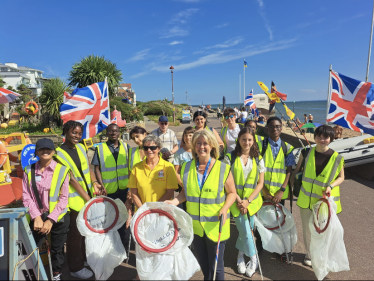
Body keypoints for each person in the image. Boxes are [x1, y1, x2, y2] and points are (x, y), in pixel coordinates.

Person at [166, 129, 236, 280]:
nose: (202, 147)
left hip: (216, 226)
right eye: (198, 143)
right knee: (204, 264)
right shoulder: (186, 168)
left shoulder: (223, 168)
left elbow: (232, 193)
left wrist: (225, 208)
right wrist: (174, 201)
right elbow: (185, 193)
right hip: (196, 227)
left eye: (205, 143)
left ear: (212, 146)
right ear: (193, 146)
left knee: (216, 267)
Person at [54, 121, 103, 279]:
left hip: (86, 197)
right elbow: (72, 179)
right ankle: (75, 267)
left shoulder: (81, 147)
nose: (76, 136)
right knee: (74, 235)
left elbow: (88, 167)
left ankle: (83, 260)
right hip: (73, 202)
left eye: (79, 133)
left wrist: (95, 183)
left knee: (84, 232)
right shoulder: (58, 153)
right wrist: (88, 198)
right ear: (65, 132)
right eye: (73, 132)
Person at [291, 125, 344, 267]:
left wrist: (330, 186)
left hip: (323, 201)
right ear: (314, 137)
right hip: (305, 200)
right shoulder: (306, 152)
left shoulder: (337, 158)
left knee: (322, 230)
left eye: (326, 137)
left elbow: (341, 177)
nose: (322, 139)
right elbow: (297, 171)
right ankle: (309, 254)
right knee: (307, 230)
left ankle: (321, 254)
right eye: (319, 136)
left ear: (331, 139)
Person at [23, 138, 70, 281]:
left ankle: (56, 274)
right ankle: (32, 274)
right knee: (32, 248)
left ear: (53, 151)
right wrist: (36, 216)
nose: (45, 151)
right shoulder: (28, 170)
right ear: (36, 152)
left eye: (48, 149)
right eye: (41, 149)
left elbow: (64, 198)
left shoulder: (62, 170)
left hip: (58, 216)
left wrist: (50, 220)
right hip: (37, 216)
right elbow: (26, 196)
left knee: (57, 250)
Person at [223, 128, 265, 277]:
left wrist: (248, 201)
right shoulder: (230, 157)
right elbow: (227, 181)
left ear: (253, 141)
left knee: (245, 231)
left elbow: (260, 184)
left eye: (249, 140)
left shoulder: (258, 158)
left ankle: (240, 257)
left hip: (252, 202)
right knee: (247, 232)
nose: (246, 142)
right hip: (236, 201)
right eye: (243, 139)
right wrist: (240, 201)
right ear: (238, 140)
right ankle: (254, 260)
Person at [258, 116, 295, 260]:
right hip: (262, 192)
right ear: (267, 129)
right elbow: (255, 170)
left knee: (279, 222)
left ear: (282, 128)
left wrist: (282, 190)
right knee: (261, 221)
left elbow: (289, 170)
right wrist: (264, 191)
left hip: (280, 193)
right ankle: (261, 246)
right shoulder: (260, 145)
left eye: (278, 126)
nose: (275, 129)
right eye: (272, 127)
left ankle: (280, 250)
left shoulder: (287, 147)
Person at [92, 123, 131, 250]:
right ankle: (111, 243)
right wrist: (101, 184)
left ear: (119, 132)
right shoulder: (100, 148)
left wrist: (131, 187)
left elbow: (131, 168)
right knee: (110, 216)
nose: (113, 133)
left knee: (124, 215)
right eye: (110, 131)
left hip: (124, 189)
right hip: (108, 189)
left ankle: (123, 242)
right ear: (107, 133)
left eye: (116, 131)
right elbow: (96, 168)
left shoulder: (126, 147)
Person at [128, 134, 178, 210]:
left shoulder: (168, 167)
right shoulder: (136, 168)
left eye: (153, 147)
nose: (149, 150)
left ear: (159, 149)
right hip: (142, 213)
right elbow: (134, 193)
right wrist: (143, 211)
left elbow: (170, 193)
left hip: (162, 212)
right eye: (146, 148)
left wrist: (153, 209)